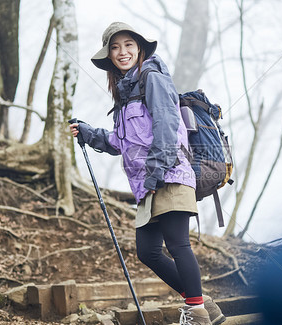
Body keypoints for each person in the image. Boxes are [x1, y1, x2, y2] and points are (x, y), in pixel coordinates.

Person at [69, 22, 225, 325]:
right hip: (148, 185)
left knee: (178, 243)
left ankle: (197, 315)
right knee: (148, 252)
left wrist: (155, 172)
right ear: (109, 56)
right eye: (115, 47)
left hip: (170, 175)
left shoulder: (153, 77)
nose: (122, 51)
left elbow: (167, 126)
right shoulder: (125, 94)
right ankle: (204, 305)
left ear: (139, 47)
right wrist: (88, 132)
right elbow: (120, 142)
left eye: (128, 44)